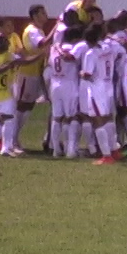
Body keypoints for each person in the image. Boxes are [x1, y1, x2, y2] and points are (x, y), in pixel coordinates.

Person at [14, 4, 53, 151]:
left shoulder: (39, 30)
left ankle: (15, 138)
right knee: (22, 106)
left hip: (36, 71)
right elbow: (42, 43)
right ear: (35, 15)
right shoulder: (32, 31)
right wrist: (55, 29)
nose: (46, 15)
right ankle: (12, 139)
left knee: (28, 106)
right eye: (43, 13)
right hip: (27, 72)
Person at [80, 24, 120, 165]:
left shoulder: (90, 54)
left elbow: (87, 74)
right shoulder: (108, 49)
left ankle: (106, 155)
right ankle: (114, 149)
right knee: (109, 118)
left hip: (97, 89)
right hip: (109, 86)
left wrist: (81, 72)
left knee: (98, 121)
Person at [0, 18, 24, 151]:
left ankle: (9, 141)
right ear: (0, 27)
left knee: (9, 111)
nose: (11, 28)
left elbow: (20, 52)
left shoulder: (15, 37)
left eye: (12, 25)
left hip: (12, 78)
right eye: (7, 26)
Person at [47, 26, 82, 158]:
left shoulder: (53, 49)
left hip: (55, 83)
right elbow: (72, 59)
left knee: (57, 117)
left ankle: (56, 149)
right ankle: (70, 149)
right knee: (71, 117)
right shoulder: (72, 49)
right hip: (69, 84)